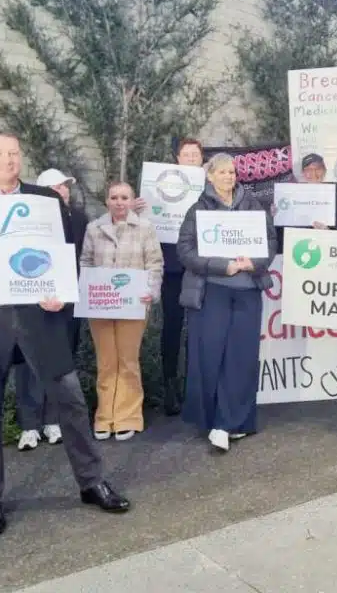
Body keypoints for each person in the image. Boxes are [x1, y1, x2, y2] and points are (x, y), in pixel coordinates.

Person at [0, 130, 130, 539]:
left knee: (70, 401)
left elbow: (67, 255)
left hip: (40, 319)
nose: (8, 160)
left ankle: (92, 482)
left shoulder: (46, 200)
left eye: (14, 153)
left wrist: (61, 292)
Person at [176, 152, 276, 451]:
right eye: (222, 172)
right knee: (211, 356)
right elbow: (185, 251)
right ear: (210, 176)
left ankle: (236, 422)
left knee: (242, 358)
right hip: (212, 292)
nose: (229, 177)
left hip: (247, 291)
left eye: (232, 172)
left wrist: (252, 262)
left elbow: (270, 243)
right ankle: (215, 421)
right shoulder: (197, 209)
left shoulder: (253, 205)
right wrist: (223, 266)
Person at [12, 168, 90, 451]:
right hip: (31, 301)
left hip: (66, 301)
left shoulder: (79, 219)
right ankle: (29, 425)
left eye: (65, 186)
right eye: (56, 187)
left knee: (62, 362)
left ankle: (53, 421)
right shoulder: (29, 221)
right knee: (29, 366)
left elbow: (84, 259)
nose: (63, 191)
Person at [81, 182, 163, 441]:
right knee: (106, 362)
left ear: (131, 201)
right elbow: (85, 262)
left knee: (128, 361)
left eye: (124, 197)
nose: (119, 202)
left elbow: (154, 263)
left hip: (133, 303)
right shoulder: (93, 228)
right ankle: (105, 417)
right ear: (107, 201)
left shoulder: (145, 228)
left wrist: (152, 290)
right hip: (101, 305)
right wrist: (86, 288)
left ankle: (128, 416)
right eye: (114, 197)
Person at [134, 138, 205, 416]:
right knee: (172, 327)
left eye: (195, 154)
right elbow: (143, 223)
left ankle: (195, 387)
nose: (190, 158)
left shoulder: (209, 188)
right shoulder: (158, 187)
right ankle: (170, 388)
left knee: (199, 329)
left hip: (201, 266)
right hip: (173, 266)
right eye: (185, 154)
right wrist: (140, 209)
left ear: (201, 159)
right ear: (177, 159)